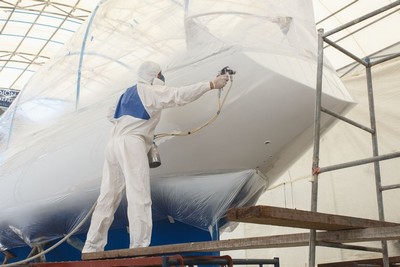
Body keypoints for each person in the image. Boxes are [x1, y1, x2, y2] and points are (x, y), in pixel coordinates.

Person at [82, 61, 229, 253]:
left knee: (108, 196)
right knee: (138, 194)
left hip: (114, 144)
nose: (162, 79)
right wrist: (210, 84)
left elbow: (110, 114)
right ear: (153, 76)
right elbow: (179, 96)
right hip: (132, 143)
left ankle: (92, 246)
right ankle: (138, 246)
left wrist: (133, 126)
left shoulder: (125, 94)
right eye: (160, 75)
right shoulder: (149, 91)